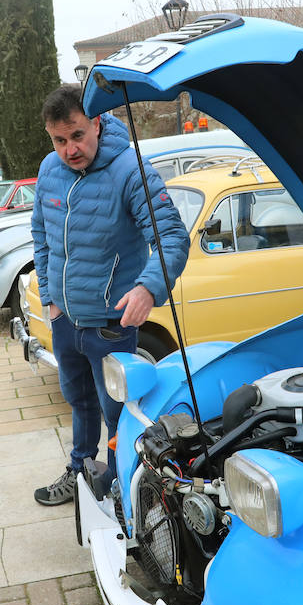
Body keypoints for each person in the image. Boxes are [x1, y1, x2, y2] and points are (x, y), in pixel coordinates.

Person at [29, 84, 189, 506]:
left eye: (77, 135)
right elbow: (41, 235)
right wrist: (49, 297)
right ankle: (80, 468)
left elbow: (172, 236)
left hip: (111, 330)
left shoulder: (131, 169)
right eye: (59, 140)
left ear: (97, 122)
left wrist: (148, 287)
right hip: (65, 321)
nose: (69, 150)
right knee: (78, 403)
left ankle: (125, 491)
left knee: (119, 416)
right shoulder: (49, 169)